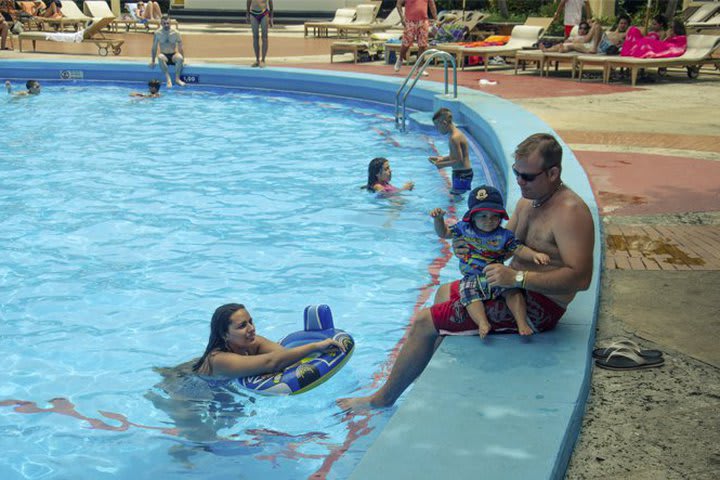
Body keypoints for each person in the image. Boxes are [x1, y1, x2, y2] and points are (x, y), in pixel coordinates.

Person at [337, 133, 595, 411]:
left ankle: (381, 399)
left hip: (539, 306)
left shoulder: (570, 212)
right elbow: (499, 247)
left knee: (424, 322)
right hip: (508, 287)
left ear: (553, 172)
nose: (519, 181)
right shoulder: (527, 202)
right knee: (443, 291)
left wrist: (518, 278)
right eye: (516, 173)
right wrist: (468, 248)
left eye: (527, 177)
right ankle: (427, 376)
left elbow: (581, 278)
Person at [430, 185, 550, 337]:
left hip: (496, 274)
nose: (489, 221)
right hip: (472, 277)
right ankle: (482, 322)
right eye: (483, 216)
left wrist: (534, 255)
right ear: (472, 217)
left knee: (512, 291)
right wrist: (439, 219)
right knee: (468, 295)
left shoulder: (504, 235)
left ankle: (522, 322)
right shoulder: (464, 228)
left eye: (495, 216)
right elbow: (444, 233)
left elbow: (518, 249)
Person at [192, 303, 345, 379]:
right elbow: (271, 363)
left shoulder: (253, 343)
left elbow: (284, 356)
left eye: (251, 322)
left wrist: (280, 369)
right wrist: (315, 346)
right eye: (242, 326)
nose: (251, 328)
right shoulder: (218, 359)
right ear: (225, 334)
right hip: (187, 388)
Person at [428, 108, 472, 194]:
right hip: (464, 173)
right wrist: (441, 159)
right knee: (456, 195)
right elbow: (456, 156)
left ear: (444, 123)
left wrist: (441, 165)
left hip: (462, 174)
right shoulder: (457, 133)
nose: (437, 129)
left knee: (457, 198)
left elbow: (459, 161)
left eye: (437, 126)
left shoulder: (454, 138)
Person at [394, 0, 438, 74]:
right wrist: (402, 18)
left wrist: (436, 18)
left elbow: (432, 5)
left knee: (423, 44)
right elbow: (398, 4)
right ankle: (400, 58)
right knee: (407, 42)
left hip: (423, 20)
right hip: (410, 20)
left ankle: (420, 67)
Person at [150, 15, 185, 88]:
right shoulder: (157, 33)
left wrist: (183, 61)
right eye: (164, 23)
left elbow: (180, 47)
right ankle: (168, 79)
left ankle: (177, 79)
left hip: (173, 55)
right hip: (164, 55)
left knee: (180, 58)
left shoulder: (176, 33)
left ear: (170, 23)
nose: (166, 25)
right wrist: (153, 61)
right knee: (159, 57)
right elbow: (154, 47)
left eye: (168, 23)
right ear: (161, 24)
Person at [247, 0, 273, 68]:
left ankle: (263, 60)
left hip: (264, 13)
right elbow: (248, 1)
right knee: (255, 37)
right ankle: (257, 60)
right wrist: (247, 13)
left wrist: (271, 17)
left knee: (264, 37)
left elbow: (270, 3)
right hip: (253, 13)